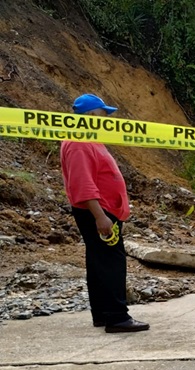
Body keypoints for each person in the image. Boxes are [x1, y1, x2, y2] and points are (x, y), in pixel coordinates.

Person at [61, 93, 150, 333]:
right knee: (111, 263)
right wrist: (100, 216)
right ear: (90, 115)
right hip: (98, 212)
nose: (107, 120)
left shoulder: (89, 139)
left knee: (99, 262)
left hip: (102, 211)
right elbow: (83, 184)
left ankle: (102, 313)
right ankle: (117, 317)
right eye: (103, 115)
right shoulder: (79, 143)